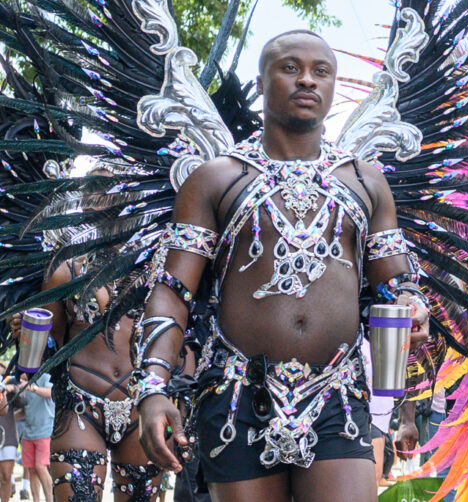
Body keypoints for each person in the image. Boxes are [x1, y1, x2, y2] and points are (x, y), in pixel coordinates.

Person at [132, 30, 429, 502]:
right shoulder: (215, 179)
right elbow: (172, 291)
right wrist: (152, 387)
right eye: (290, 68)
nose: (307, 80)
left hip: (338, 395)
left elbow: (394, 283)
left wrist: (413, 304)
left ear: (333, 85)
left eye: (320, 71)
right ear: (261, 81)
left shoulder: (367, 182)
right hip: (235, 395)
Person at [8, 162, 166, 502]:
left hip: (140, 405)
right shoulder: (64, 269)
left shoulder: (153, 264)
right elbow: (50, 345)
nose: (103, 198)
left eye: (112, 190)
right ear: (83, 201)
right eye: (95, 190)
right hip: (81, 407)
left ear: (130, 197)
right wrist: (27, 330)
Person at [19, 375, 53, 502]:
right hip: (28, 433)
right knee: (31, 470)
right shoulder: (24, 383)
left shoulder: (45, 377)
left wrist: (30, 387)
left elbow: (50, 393)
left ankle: (50, 499)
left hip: (45, 431)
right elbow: (24, 411)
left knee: (40, 466)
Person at [0, 378, 19, 502]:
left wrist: (12, 389)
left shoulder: (7, 383)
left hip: (7, 436)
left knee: (6, 477)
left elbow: (22, 402)